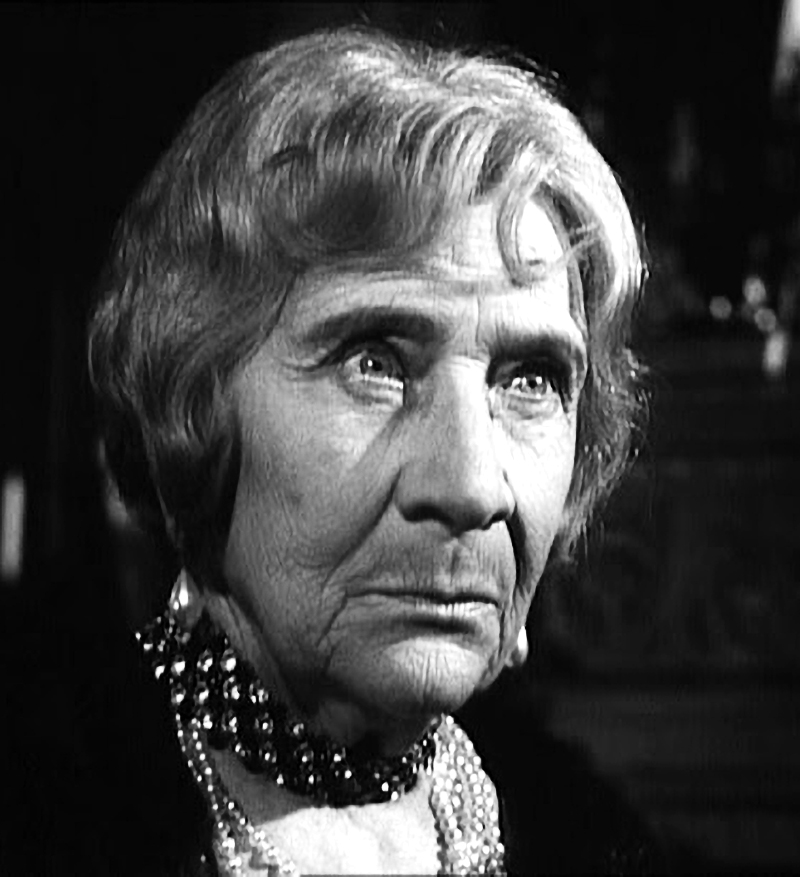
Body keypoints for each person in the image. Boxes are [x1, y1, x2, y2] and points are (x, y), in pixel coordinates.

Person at [76, 25, 654, 876]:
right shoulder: (49, 800)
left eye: (530, 380)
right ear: (189, 414)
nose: (471, 486)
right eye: (374, 362)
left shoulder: (590, 839)